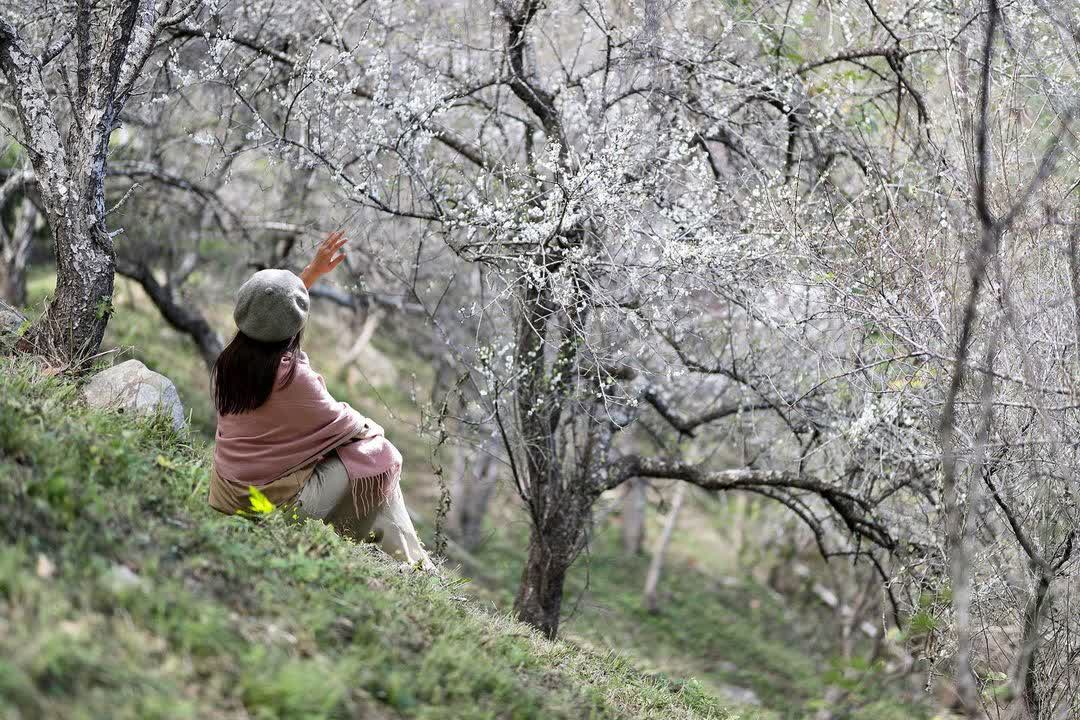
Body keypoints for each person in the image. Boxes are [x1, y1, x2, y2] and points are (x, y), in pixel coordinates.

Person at [207, 231, 432, 569]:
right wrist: (373, 430)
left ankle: (414, 565)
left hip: (228, 491)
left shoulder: (231, 360)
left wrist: (309, 274)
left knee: (362, 461)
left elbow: (268, 313)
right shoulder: (292, 378)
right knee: (382, 454)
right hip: (264, 505)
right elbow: (347, 425)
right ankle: (415, 567)